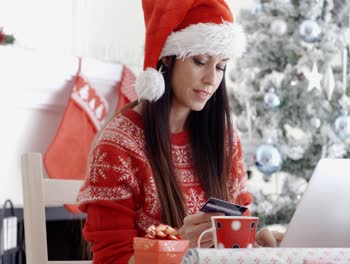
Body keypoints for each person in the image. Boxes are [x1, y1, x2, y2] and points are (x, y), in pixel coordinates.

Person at [76, 0, 283, 263]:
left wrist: (256, 244)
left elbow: (234, 244)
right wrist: (178, 245)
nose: (211, 79)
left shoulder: (225, 140)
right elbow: (111, 259)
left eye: (220, 66)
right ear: (167, 57)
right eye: (200, 61)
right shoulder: (117, 146)